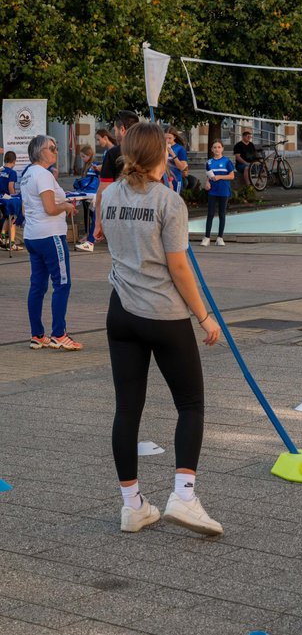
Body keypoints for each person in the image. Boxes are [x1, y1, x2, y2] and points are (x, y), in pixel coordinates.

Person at [101, 122, 223, 535]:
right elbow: (179, 266)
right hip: (163, 315)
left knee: (127, 409)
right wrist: (204, 315)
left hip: (121, 313)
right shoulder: (169, 201)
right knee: (190, 404)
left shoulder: (108, 195)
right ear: (160, 155)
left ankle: (132, 505)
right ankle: (184, 497)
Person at [21, 135, 81, 351]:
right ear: (40, 152)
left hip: (33, 235)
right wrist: (65, 206)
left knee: (37, 286)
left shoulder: (27, 174)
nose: (56, 151)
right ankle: (59, 334)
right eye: (52, 148)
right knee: (62, 283)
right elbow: (50, 208)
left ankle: (37, 335)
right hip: (50, 236)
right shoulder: (43, 175)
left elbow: (26, 209)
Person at [94, 110, 140, 242]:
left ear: (122, 129)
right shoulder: (148, 151)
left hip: (122, 216)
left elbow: (103, 191)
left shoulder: (113, 154)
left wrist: (98, 223)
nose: (115, 133)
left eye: (115, 129)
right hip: (147, 214)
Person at [201, 140, 234, 247]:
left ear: (222, 149)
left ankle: (220, 238)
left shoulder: (227, 161)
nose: (217, 149)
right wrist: (207, 183)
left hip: (223, 190)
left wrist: (219, 177)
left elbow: (231, 176)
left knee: (222, 214)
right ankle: (207, 237)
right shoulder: (209, 162)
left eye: (219, 147)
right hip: (212, 191)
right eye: (214, 147)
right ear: (211, 149)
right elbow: (208, 176)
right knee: (210, 214)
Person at [74, 145, 100, 253]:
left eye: (83, 156)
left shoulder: (95, 165)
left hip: (94, 193)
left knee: (95, 216)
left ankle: (90, 239)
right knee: (92, 215)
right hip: (88, 193)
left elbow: (99, 179)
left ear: (89, 155)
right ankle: (89, 238)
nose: (82, 159)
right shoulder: (87, 166)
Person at [0, 151, 23, 251]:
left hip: (0, 198)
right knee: (13, 216)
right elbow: (10, 187)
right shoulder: (12, 172)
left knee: (7, 217)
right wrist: (14, 196)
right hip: (6, 199)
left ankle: (3, 236)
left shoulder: (0, 169)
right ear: (14, 161)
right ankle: (11, 243)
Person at [165, 128, 189, 194]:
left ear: (174, 137)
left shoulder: (180, 149)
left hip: (175, 180)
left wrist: (172, 153)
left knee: (174, 202)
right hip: (163, 179)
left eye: (170, 138)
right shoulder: (161, 147)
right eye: (165, 138)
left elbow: (182, 167)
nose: (167, 140)